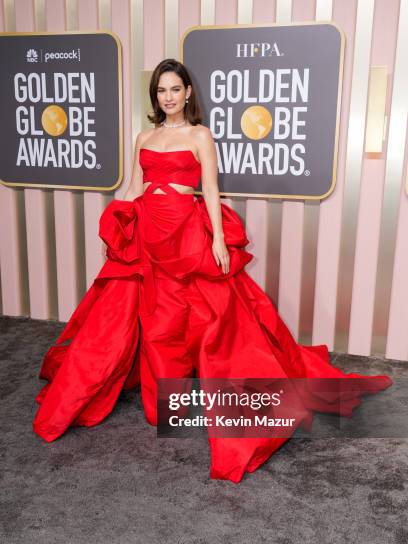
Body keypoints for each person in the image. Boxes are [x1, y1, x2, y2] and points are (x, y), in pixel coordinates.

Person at [33, 59, 392, 484]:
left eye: (174, 89)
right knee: (153, 319)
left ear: (188, 93)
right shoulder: (144, 136)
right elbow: (134, 186)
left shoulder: (201, 135)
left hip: (187, 232)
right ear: (156, 97)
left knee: (208, 318)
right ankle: (166, 399)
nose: (168, 97)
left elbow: (209, 187)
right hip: (149, 231)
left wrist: (218, 238)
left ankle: (193, 395)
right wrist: (119, 220)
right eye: (160, 91)